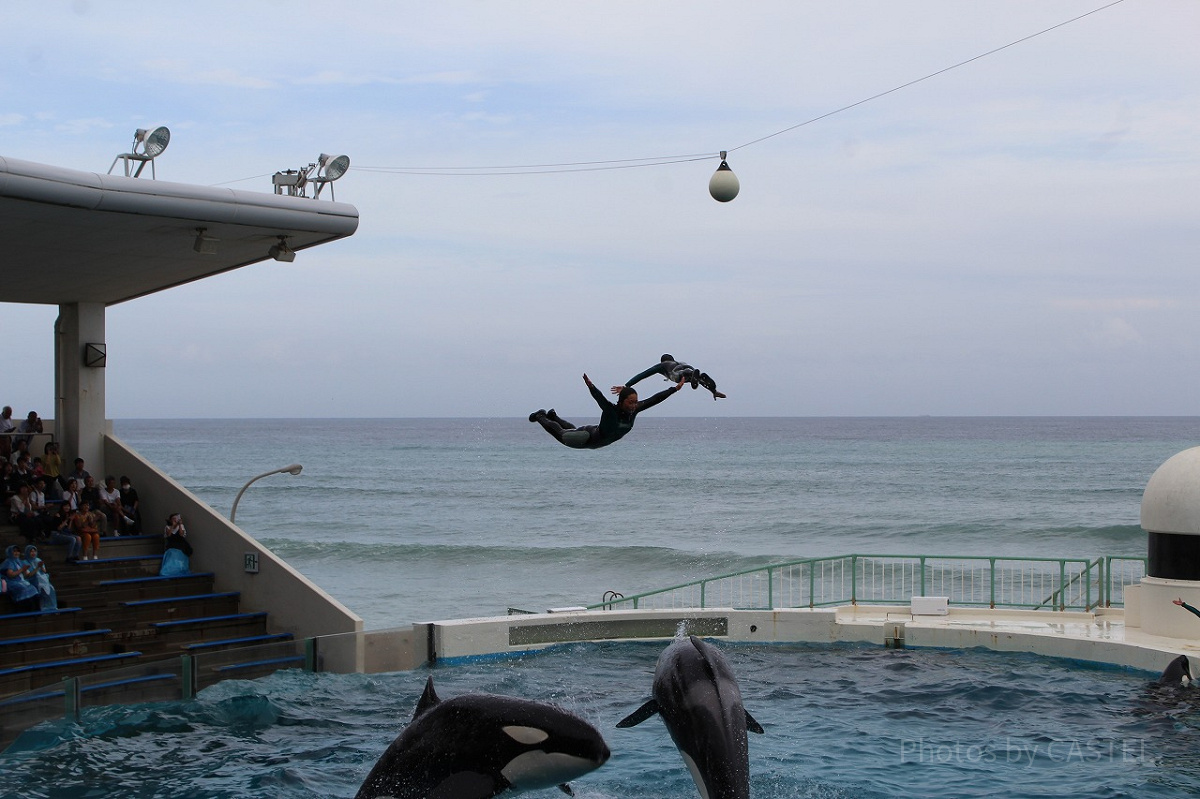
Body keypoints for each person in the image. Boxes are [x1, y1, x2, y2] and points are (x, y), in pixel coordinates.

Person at [529, 373, 684, 449]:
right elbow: (599, 398)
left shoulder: (635, 410)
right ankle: (541, 416)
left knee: (572, 429)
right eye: (630, 402)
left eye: (635, 402)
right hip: (588, 438)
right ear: (622, 401)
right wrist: (590, 385)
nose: (633, 405)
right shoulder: (611, 410)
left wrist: (675, 388)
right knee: (563, 436)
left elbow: (654, 399)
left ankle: (554, 416)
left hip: (598, 441)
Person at [617, 354, 726, 401]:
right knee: (697, 377)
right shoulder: (678, 362)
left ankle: (690, 375)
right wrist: (713, 391)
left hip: (678, 374)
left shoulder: (661, 366)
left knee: (679, 375)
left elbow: (643, 374)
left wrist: (627, 385)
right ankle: (713, 389)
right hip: (688, 368)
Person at [1, 544, 39, 612]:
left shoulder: (20, 561)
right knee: (23, 589)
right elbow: (11, 575)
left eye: (18, 551)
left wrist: (37, 568)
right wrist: (22, 570)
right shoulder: (8, 562)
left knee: (34, 589)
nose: (16, 553)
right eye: (14, 551)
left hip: (22, 581)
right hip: (12, 582)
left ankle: (35, 613)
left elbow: (27, 575)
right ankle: (22, 611)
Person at [22, 545, 56, 611]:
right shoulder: (25, 562)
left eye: (34, 551)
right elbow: (28, 575)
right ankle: (43, 608)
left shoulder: (38, 560)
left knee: (51, 588)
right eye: (31, 551)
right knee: (41, 589)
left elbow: (44, 571)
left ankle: (52, 607)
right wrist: (37, 567)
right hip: (32, 580)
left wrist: (41, 566)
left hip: (42, 579)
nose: (33, 553)